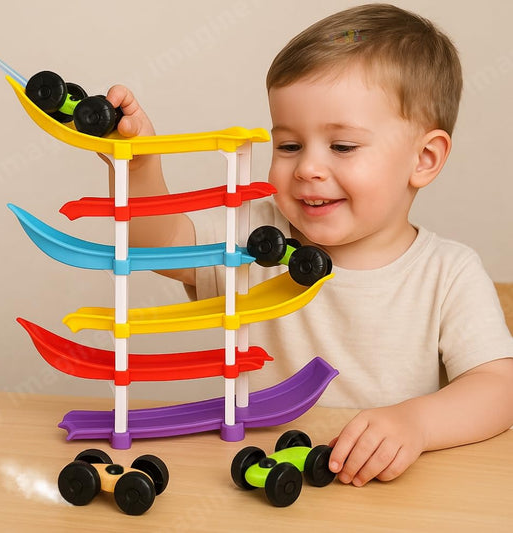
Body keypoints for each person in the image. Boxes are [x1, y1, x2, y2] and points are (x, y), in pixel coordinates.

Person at [103, 3, 513, 487]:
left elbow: (498, 389)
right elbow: (165, 245)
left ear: (423, 158)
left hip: (383, 499)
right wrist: (139, 169)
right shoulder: (254, 238)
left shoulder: (449, 273)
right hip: (260, 484)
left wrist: (418, 423)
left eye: (342, 146)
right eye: (289, 145)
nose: (307, 169)